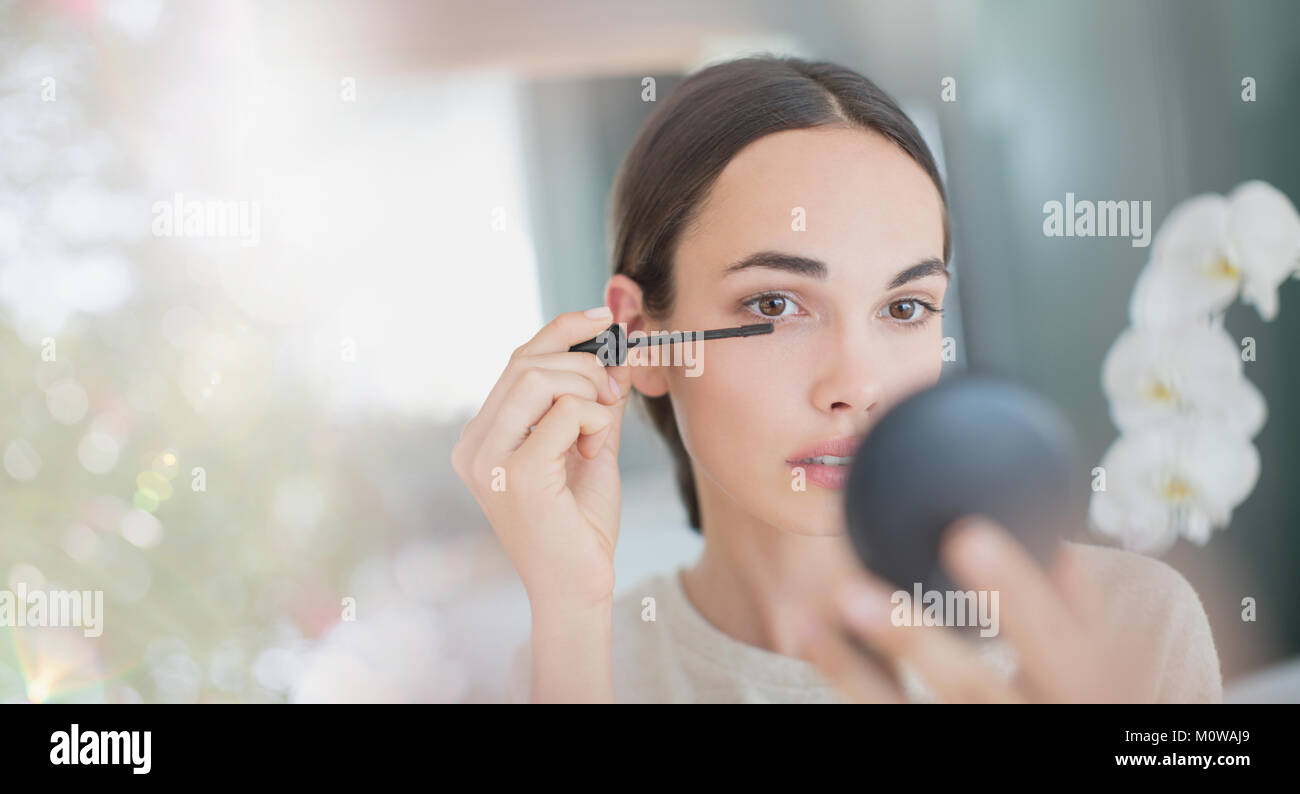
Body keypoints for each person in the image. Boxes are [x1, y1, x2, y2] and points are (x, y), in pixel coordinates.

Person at [450, 55, 1222, 703]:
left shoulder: (1128, 629)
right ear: (641, 339)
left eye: (906, 306)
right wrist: (570, 614)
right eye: (777, 304)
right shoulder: (569, 663)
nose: (857, 384)